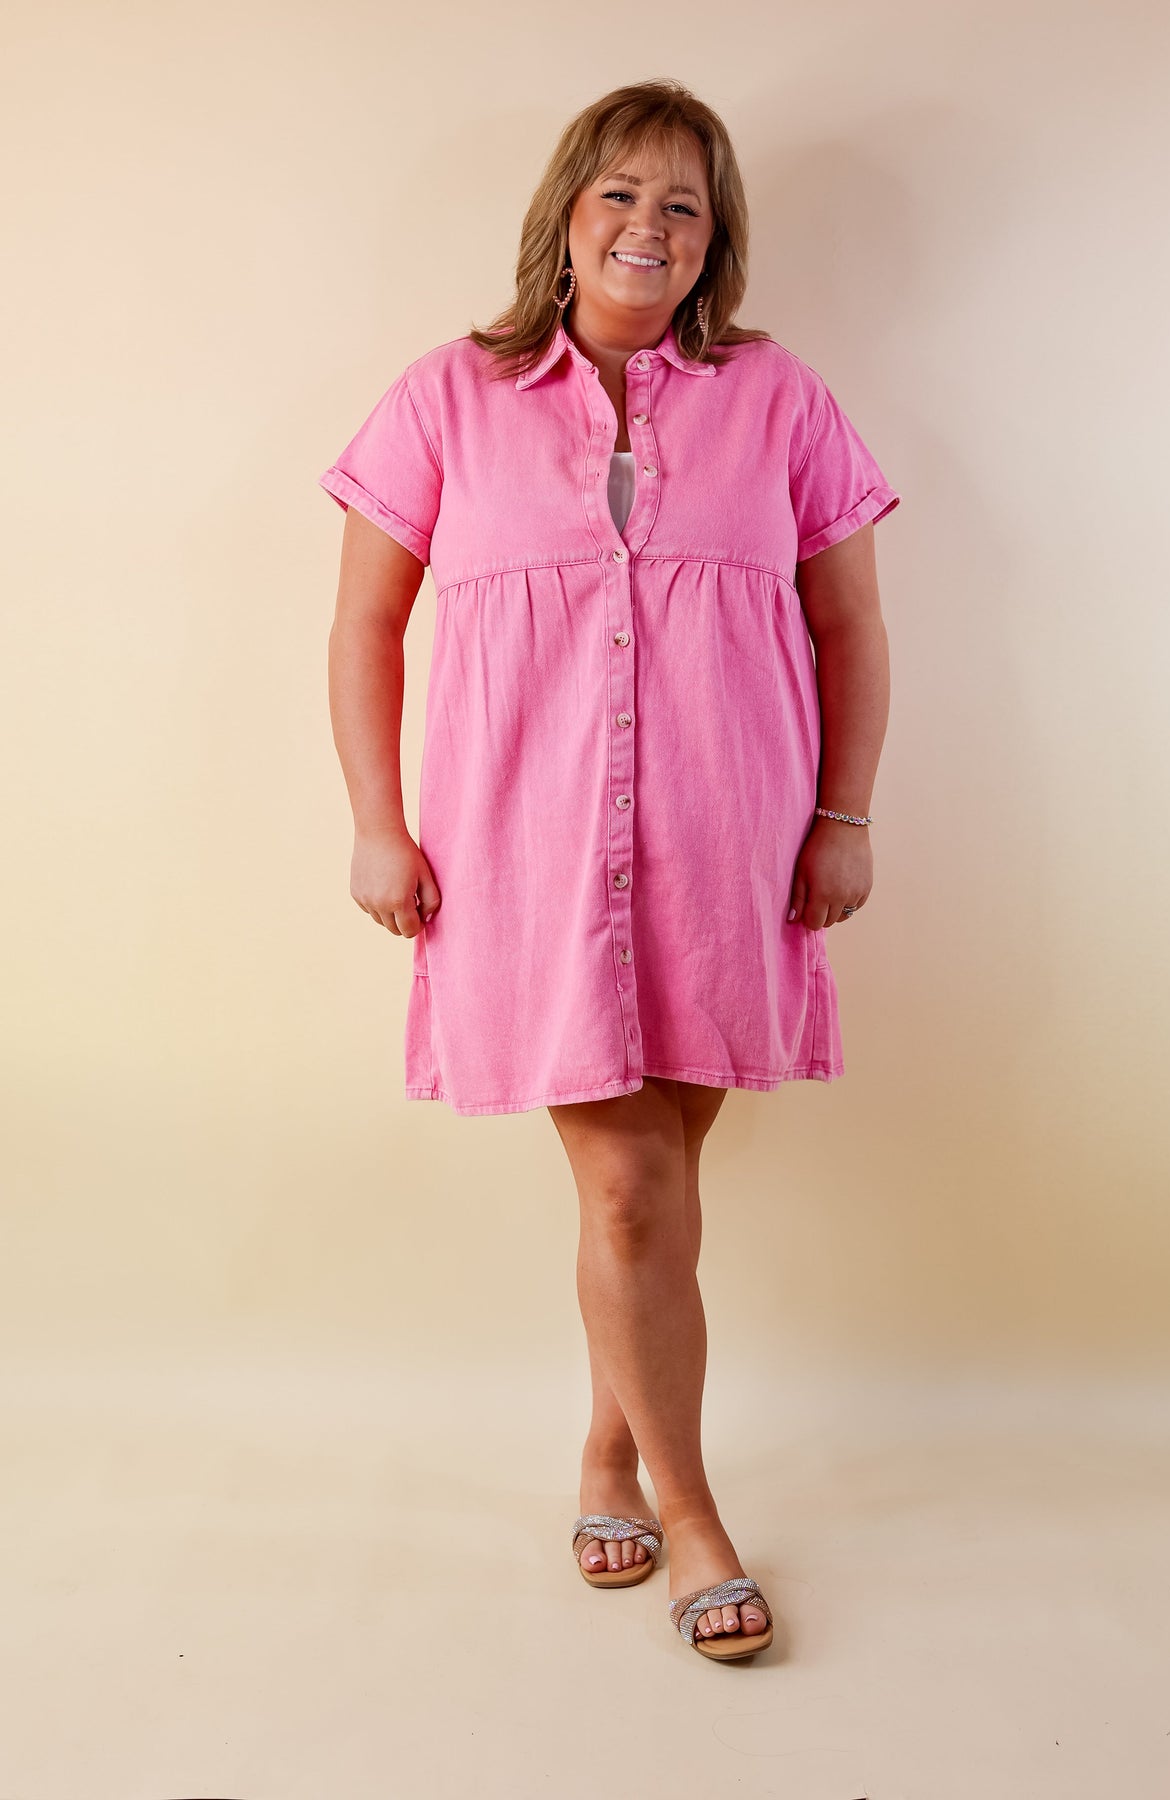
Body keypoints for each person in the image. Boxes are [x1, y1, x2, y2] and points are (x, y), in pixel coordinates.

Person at [320, 80, 900, 1661]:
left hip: (727, 851)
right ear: (567, 217)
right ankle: (695, 1513)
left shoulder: (779, 398)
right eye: (623, 196)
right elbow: (366, 622)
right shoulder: (449, 396)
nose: (651, 226)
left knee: (650, 1200)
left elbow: (849, 623)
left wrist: (844, 816)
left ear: (716, 241)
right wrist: (377, 819)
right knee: (636, 1195)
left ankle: (605, 1455)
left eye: (684, 205)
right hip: (529, 858)